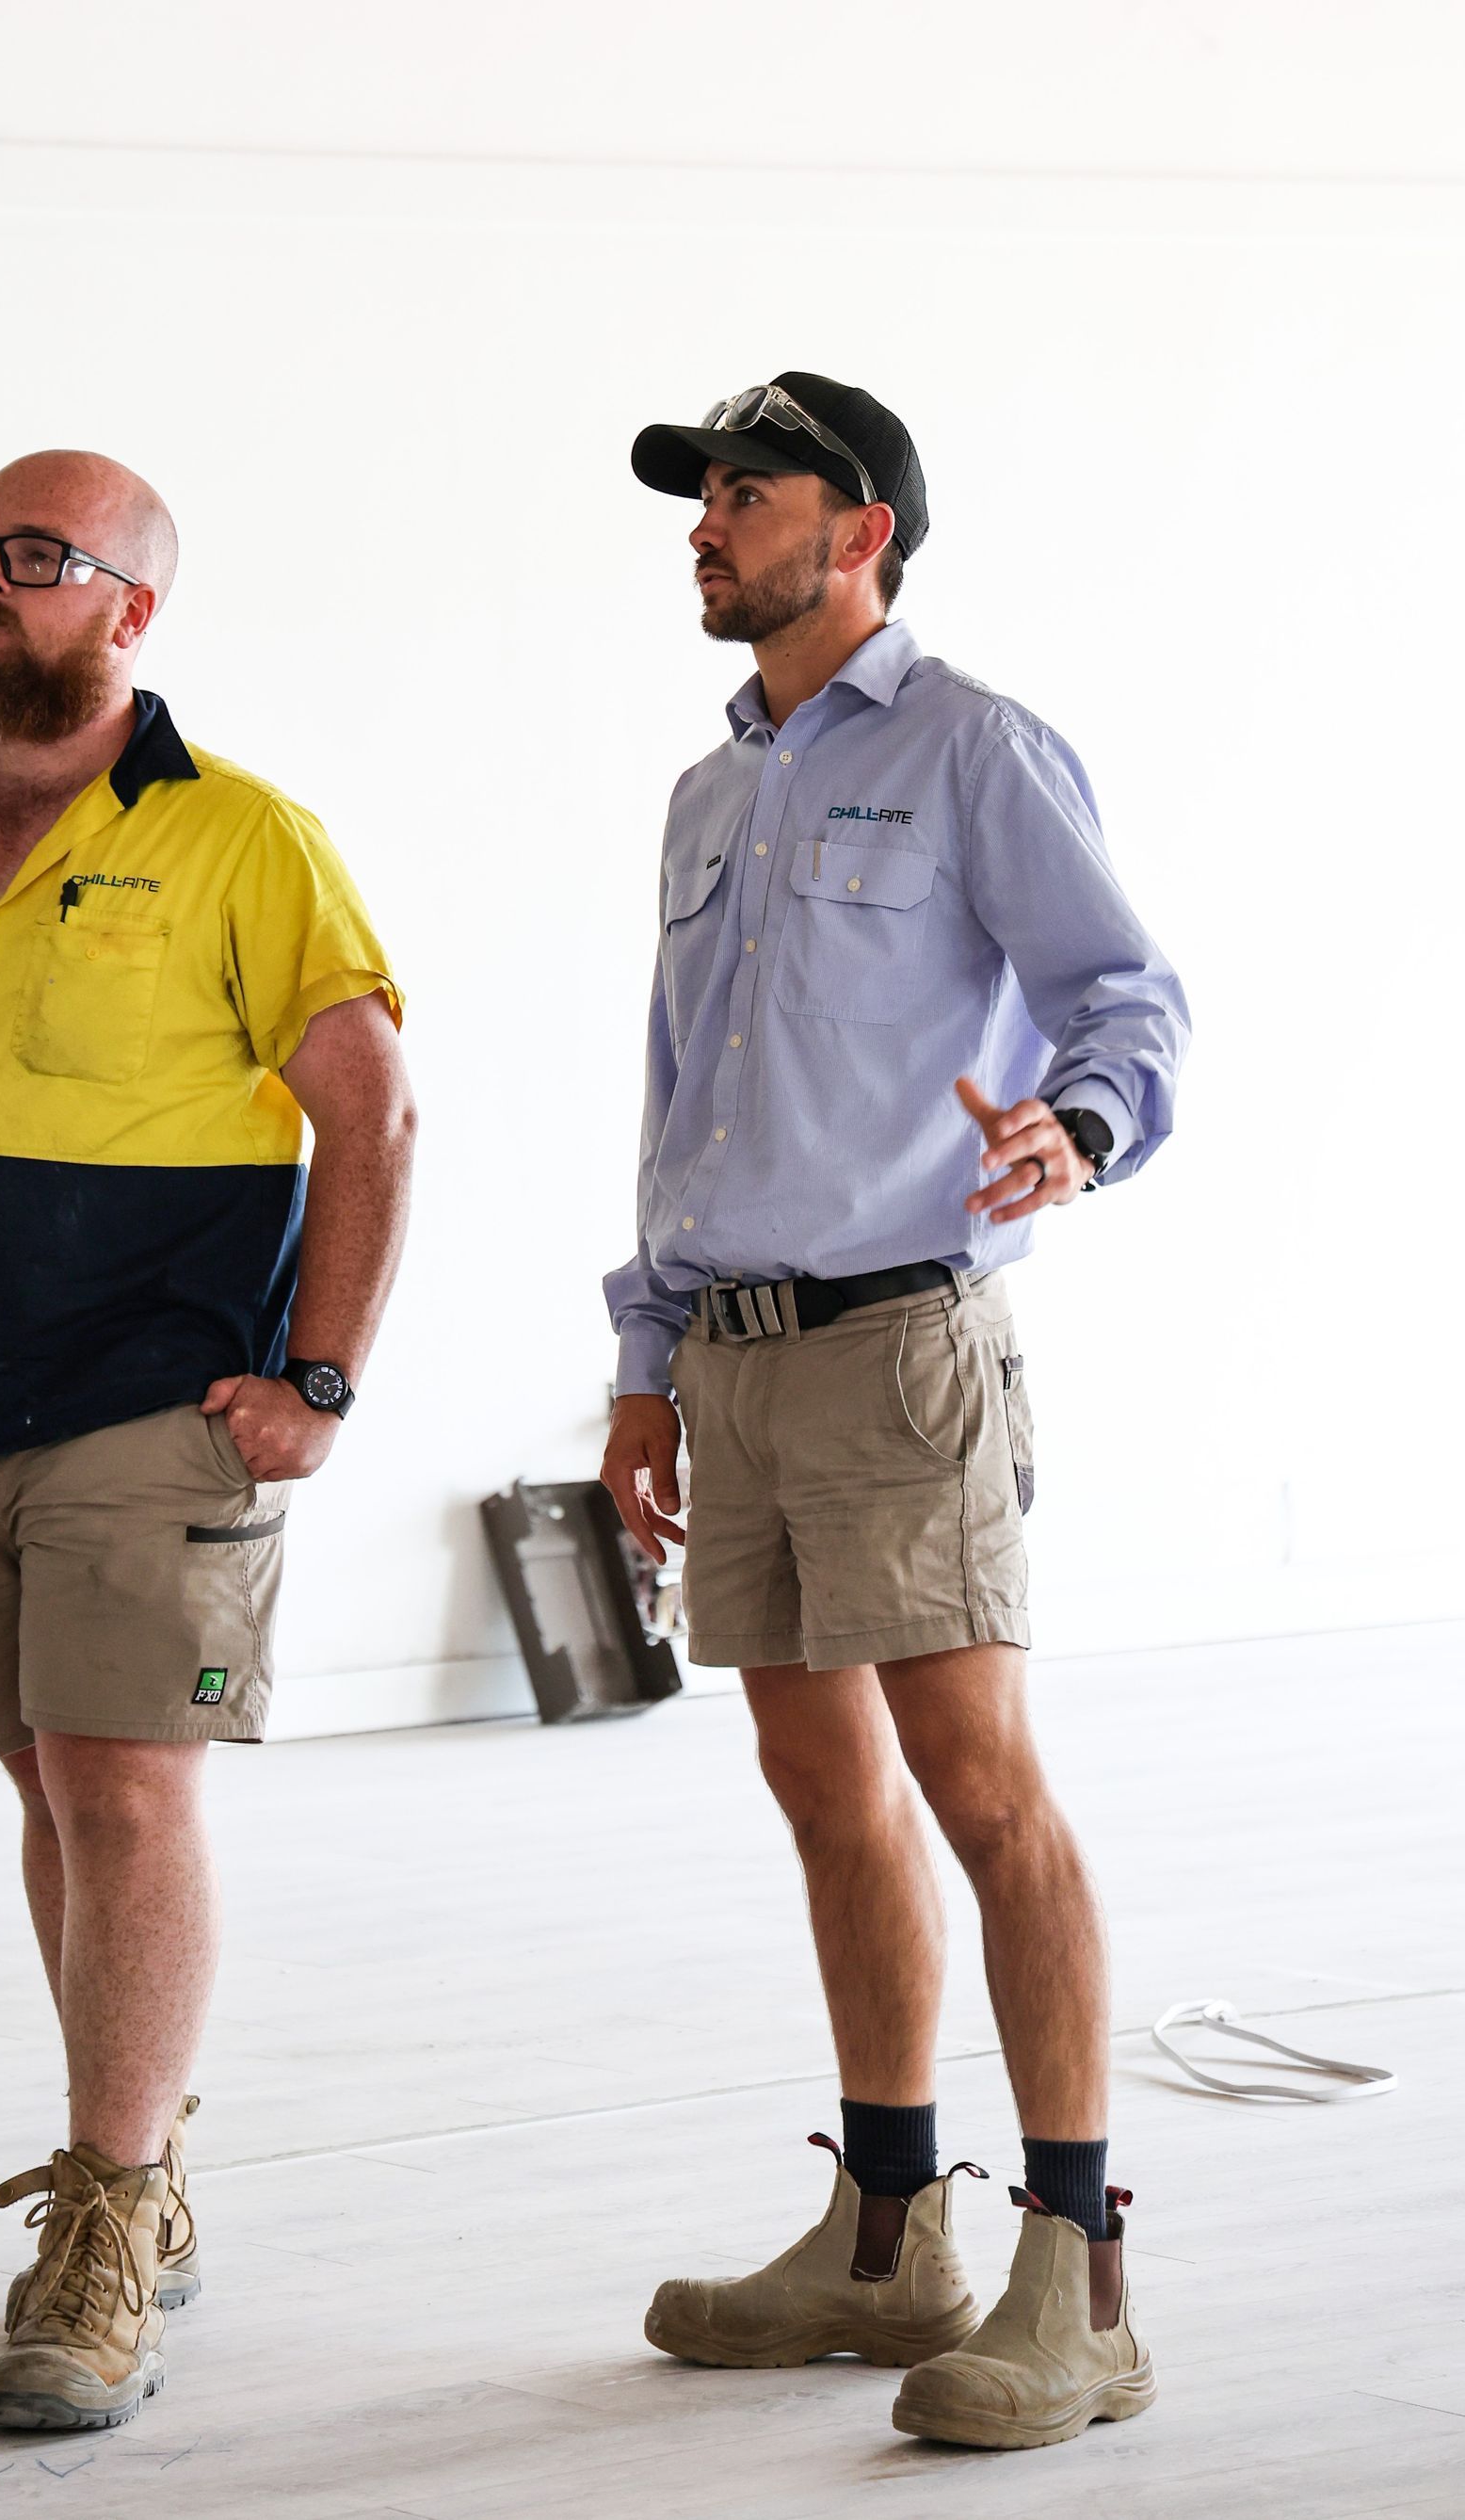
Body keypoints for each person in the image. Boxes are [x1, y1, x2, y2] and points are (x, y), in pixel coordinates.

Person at [0, 450, 414, 2435]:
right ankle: (141, 2161)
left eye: (41, 559)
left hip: (151, 1405)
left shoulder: (242, 841)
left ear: (134, 610)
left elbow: (372, 1111)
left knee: (126, 1794)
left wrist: (319, 1380)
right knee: (49, 1793)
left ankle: (110, 2223)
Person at [601, 374, 1188, 2452]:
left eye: (743, 493)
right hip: (738, 1357)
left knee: (977, 1781)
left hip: (905, 1342)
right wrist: (647, 1362)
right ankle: (883, 2244)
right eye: (701, 497)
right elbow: (682, 1101)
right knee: (820, 1787)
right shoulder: (711, 790)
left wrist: (1076, 1129)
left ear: (859, 529)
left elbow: (1130, 998)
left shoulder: (976, 749)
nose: (705, 525)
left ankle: (1077, 2276)